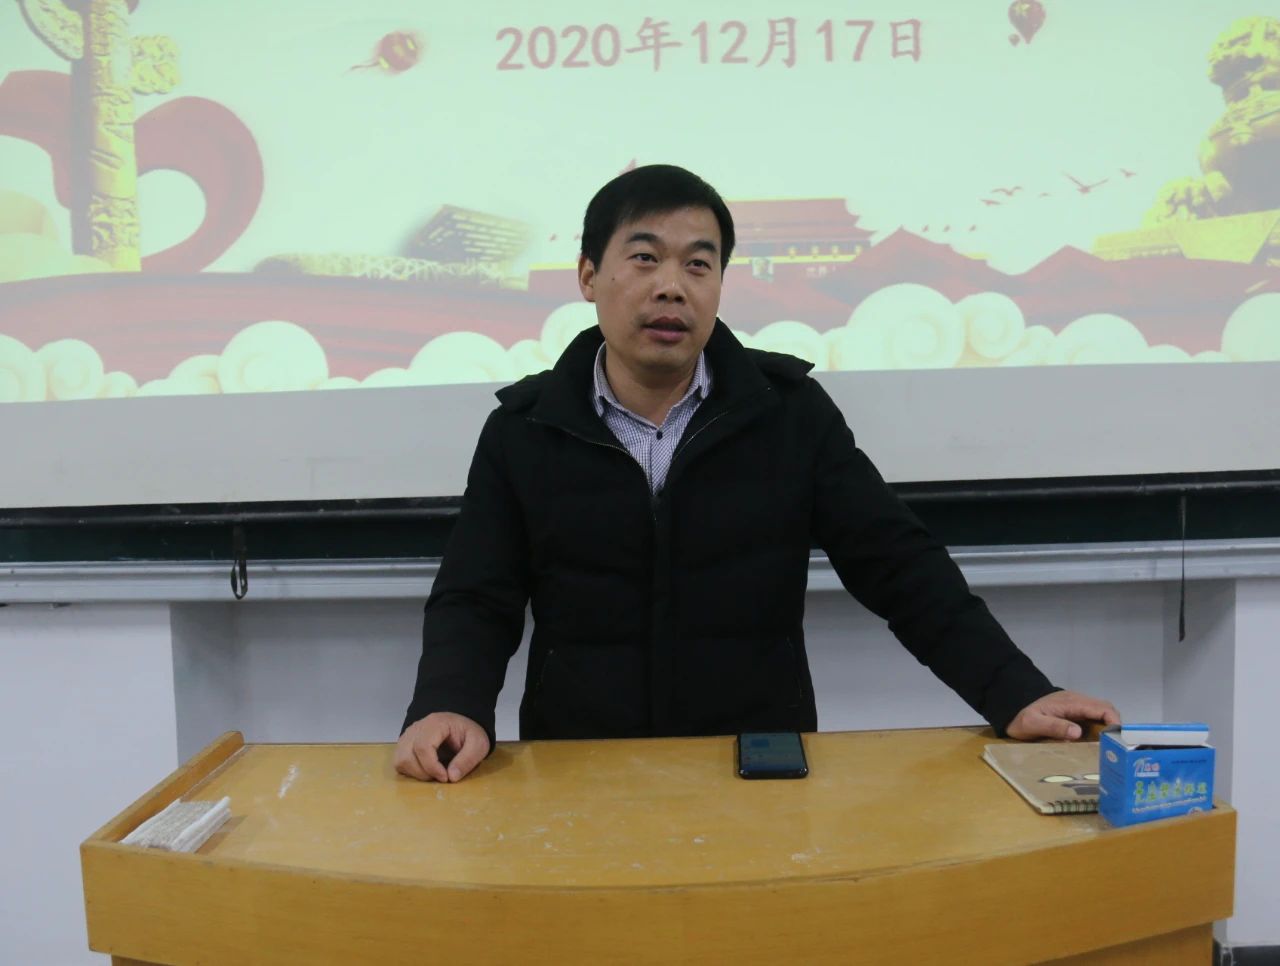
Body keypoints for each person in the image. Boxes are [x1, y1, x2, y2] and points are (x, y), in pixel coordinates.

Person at [395, 164, 1119, 783]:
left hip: (758, 762)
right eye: (644, 258)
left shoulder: (787, 415)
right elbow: (475, 597)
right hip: (580, 764)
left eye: (698, 265)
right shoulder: (526, 430)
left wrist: (1015, 691)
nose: (672, 287)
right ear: (588, 275)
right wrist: (448, 706)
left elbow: (899, 565)